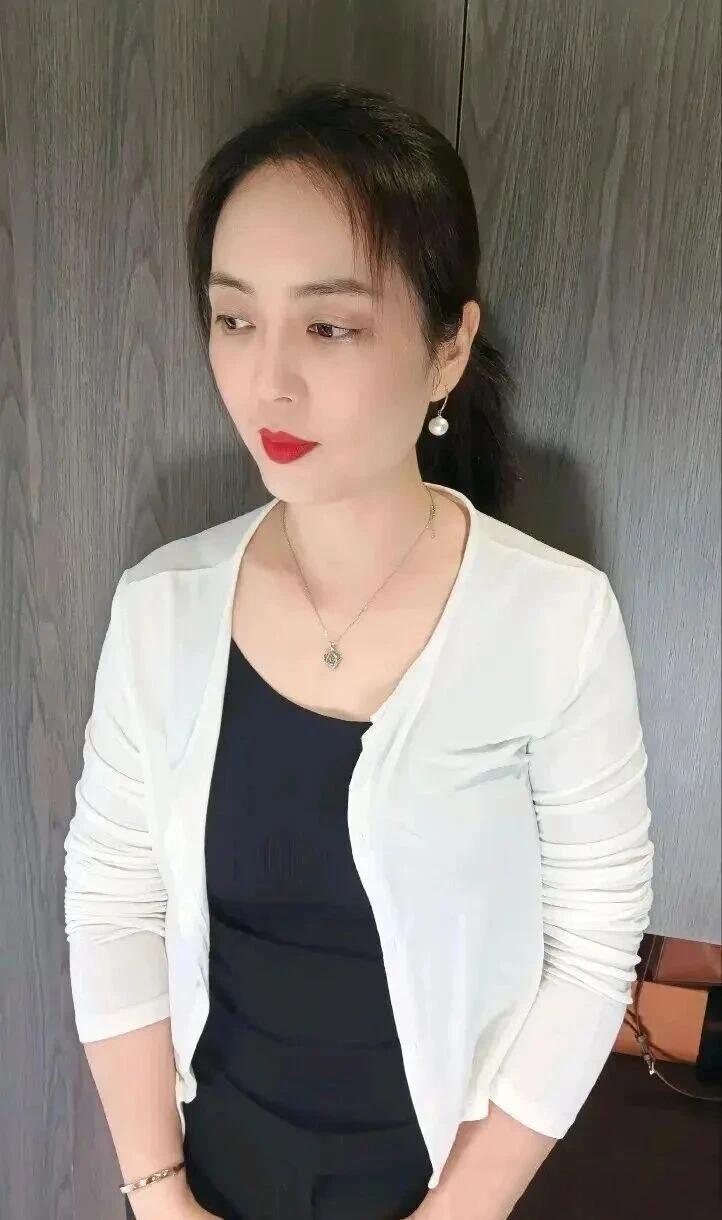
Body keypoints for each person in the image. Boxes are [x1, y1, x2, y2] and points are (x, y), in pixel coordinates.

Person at [64, 81, 653, 1220]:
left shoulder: (557, 621)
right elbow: (113, 901)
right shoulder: (161, 607)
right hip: (203, 1180)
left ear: (448, 347)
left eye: (329, 325)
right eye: (235, 318)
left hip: (439, 1188)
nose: (267, 380)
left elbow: (590, 949)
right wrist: (157, 1193)